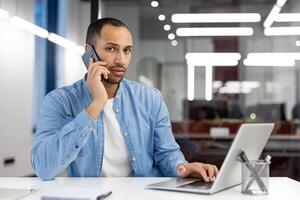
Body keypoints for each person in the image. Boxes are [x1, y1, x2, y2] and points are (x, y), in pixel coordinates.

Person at [31, 18, 218, 181]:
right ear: (89, 52)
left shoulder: (150, 98)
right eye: (111, 49)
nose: (121, 60)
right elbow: (44, 168)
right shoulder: (59, 101)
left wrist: (183, 168)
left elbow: (166, 153)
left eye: (127, 50)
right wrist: (97, 103)